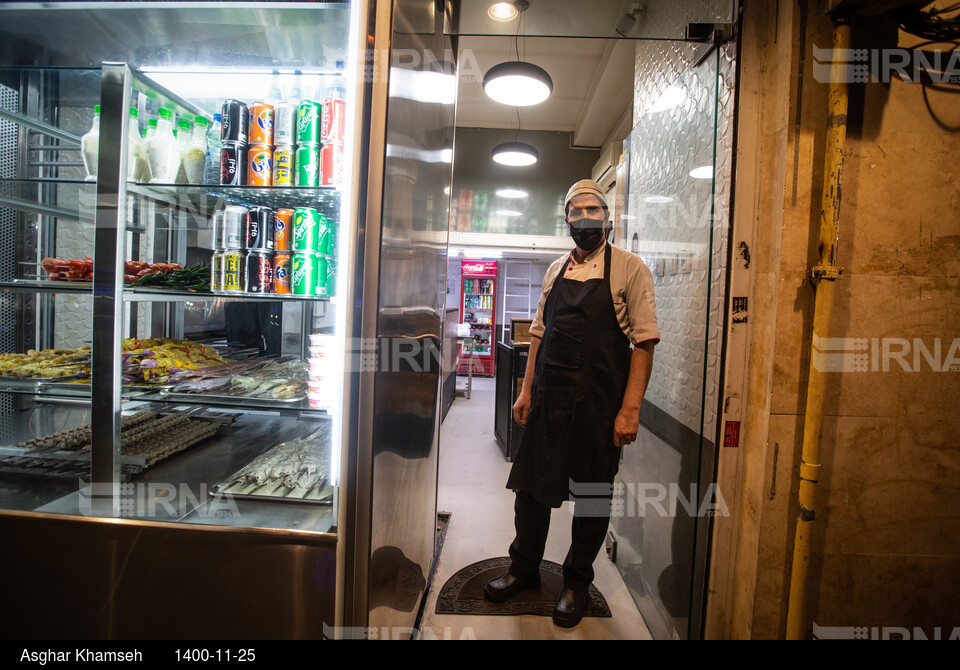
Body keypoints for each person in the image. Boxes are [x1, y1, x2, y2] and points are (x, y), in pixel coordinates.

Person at [484, 179, 659, 628]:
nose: (585, 217)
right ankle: (524, 570)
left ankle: (576, 582)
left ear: (607, 216)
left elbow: (644, 343)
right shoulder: (556, 269)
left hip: (600, 407)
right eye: (576, 210)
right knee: (531, 491)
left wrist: (630, 410)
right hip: (550, 401)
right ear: (566, 219)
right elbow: (539, 334)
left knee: (594, 497)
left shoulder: (630, 269)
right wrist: (526, 390)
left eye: (593, 209)